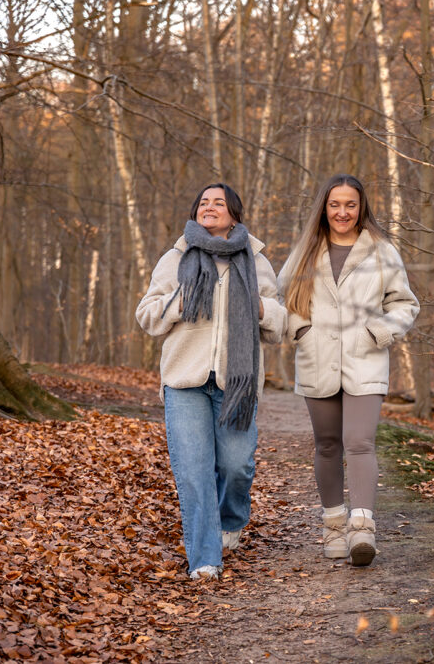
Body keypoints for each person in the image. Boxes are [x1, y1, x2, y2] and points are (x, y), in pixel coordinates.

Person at [136, 183, 286, 580]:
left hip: (237, 383)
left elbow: (279, 324)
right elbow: (147, 314)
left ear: (233, 214)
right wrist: (180, 302)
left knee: (237, 466)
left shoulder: (255, 260)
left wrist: (258, 307)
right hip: (185, 380)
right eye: (203, 202)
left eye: (218, 202)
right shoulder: (177, 257)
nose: (210, 207)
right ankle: (204, 559)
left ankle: (231, 520)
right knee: (194, 472)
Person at [278, 174, 419, 567]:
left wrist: (380, 330)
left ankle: (362, 530)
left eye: (350, 205)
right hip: (317, 357)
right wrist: (299, 329)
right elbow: (279, 299)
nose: (343, 212)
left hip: (365, 356)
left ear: (361, 208)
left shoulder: (381, 250)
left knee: (359, 441)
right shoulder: (306, 251)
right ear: (325, 207)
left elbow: (405, 304)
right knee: (326, 445)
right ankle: (334, 526)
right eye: (335, 204)